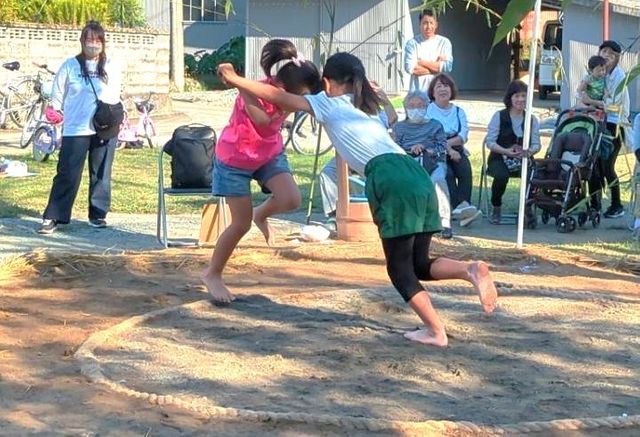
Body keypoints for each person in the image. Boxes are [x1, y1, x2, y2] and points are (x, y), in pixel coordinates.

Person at [217, 52, 498, 348]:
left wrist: (236, 79)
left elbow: (278, 96)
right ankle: (469, 269)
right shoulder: (367, 105)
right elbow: (389, 115)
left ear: (328, 82)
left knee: (399, 271)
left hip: (389, 177)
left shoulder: (328, 101)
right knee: (418, 263)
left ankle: (435, 330)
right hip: (416, 175)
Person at [201, 39, 321, 304]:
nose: (302, 103)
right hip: (235, 159)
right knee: (239, 224)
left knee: (291, 198)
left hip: (268, 154)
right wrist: (237, 82)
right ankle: (213, 273)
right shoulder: (255, 93)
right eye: (300, 96)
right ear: (281, 87)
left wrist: (236, 79)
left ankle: (261, 214)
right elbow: (263, 122)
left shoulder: (280, 93)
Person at [38, 21, 122, 234]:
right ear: (82, 41)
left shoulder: (111, 65)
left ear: (103, 42)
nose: (93, 44)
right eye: (89, 39)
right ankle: (54, 215)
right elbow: (57, 95)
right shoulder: (70, 66)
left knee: (101, 173)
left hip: (104, 128)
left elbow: (114, 96)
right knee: (67, 173)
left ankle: (98, 214)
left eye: (97, 40)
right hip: (76, 128)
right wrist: (54, 111)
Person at [319, 82, 398, 223]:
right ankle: (334, 214)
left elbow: (393, 121)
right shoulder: (346, 108)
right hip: (348, 154)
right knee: (328, 172)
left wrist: (385, 100)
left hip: (374, 155)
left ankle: (369, 211)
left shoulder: (376, 111)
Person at [392, 91, 452, 239]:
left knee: (438, 181)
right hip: (408, 164)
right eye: (411, 106)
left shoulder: (435, 125)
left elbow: (443, 148)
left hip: (432, 162)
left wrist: (426, 148)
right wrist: (410, 151)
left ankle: (444, 222)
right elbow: (395, 149)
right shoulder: (399, 127)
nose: (416, 109)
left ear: (426, 106)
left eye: (420, 105)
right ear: (405, 108)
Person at [426, 73, 480, 227]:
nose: (443, 89)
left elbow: (463, 135)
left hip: (456, 147)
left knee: (465, 169)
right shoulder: (428, 110)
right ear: (433, 91)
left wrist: (451, 147)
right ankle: (458, 209)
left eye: (446, 86)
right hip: (436, 150)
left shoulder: (458, 111)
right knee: (447, 173)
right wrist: (449, 150)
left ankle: (464, 206)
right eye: (439, 86)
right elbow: (431, 136)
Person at [485, 80, 541, 224]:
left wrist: (528, 152)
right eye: (517, 96)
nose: (520, 99)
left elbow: (536, 144)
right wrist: (506, 151)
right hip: (499, 157)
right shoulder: (499, 116)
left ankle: (526, 208)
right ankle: (496, 207)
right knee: (501, 175)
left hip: (523, 158)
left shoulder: (532, 119)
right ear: (510, 97)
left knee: (535, 175)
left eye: (523, 96)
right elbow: (490, 142)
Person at [591, 40, 630, 219]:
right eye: (603, 52)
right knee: (593, 165)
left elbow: (614, 106)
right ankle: (595, 204)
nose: (606, 56)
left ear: (616, 58)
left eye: (610, 54)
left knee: (608, 166)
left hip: (615, 125)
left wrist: (595, 103)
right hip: (598, 122)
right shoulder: (598, 72)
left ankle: (617, 204)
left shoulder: (619, 76)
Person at [403, 9, 453, 93]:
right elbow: (411, 69)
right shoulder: (412, 43)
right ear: (420, 24)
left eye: (431, 23)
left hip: (439, 95)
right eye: (425, 23)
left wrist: (421, 62)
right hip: (418, 95)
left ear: (436, 24)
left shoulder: (444, 42)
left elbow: (447, 67)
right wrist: (437, 67)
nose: (428, 27)